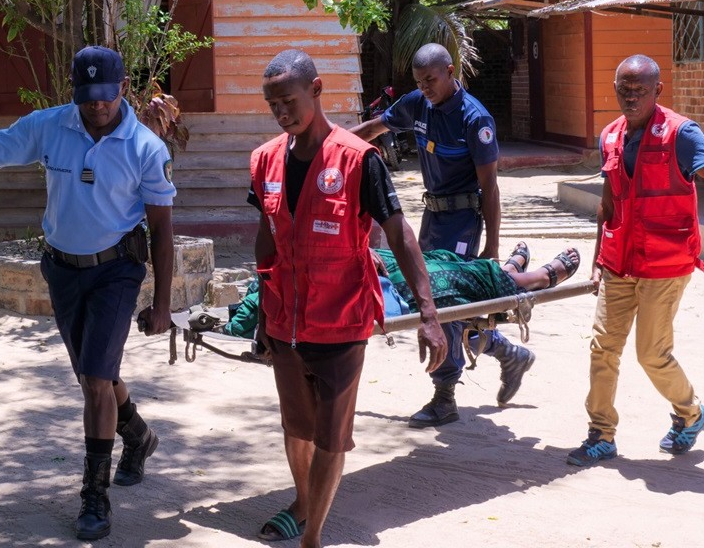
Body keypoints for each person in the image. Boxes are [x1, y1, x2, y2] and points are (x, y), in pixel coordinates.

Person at [0, 46, 176, 540]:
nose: (97, 107)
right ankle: (139, 436)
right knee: (93, 376)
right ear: (74, 93)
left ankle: (94, 496)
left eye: (106, 97)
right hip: (63, 270)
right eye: (87, 98)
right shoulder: (49, 126)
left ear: (124, 88)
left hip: (117, 271)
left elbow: (163, 230)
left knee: (96, 382)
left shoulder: (146, 147)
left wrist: (164, 304)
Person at [249, 49, 446, 548]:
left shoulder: (359, 160)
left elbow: (400, 237)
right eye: (272, 105)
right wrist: (259, 306)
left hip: (341, 320)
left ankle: (312, 536)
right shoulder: (265, 160)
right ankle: (303, 502)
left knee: (330, 435)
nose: (281, 113)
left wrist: (429, 313)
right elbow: (266, 235)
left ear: (316, 91)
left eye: (288, 101)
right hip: (285, 321)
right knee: (296, 425)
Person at [566, 54, 704, 467]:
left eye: (639, 89)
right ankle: (601, 434)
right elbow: (609, 201)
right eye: (624, 89)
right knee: (603, 348)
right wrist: (599, 255)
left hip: (665, 263)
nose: (630, 96)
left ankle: (691, 412)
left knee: (651, 353)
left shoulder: (681, 134)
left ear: (658, 90)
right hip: (619, 260)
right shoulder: (611, 136)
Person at [349, 43, 535, 427]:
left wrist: (493, 246)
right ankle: (505, 352)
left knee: (444, 303)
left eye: (431, 80)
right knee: (428, 296)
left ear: (450, 71)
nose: (425, 88)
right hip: (432, 218)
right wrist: (331, 147)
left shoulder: (475, 120)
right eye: (419, 82)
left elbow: (492, 188)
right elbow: (375, 127)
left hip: (465, 221)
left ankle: (445, 396)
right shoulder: (418, 103)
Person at [221, 243, 581, 340]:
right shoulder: (272, 276)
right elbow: (241, 324)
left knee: (440, 260)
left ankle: (508, 271)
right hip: (381, 293)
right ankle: (531, 278)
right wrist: (226, 324)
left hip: (368, 267)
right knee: (450, 279)